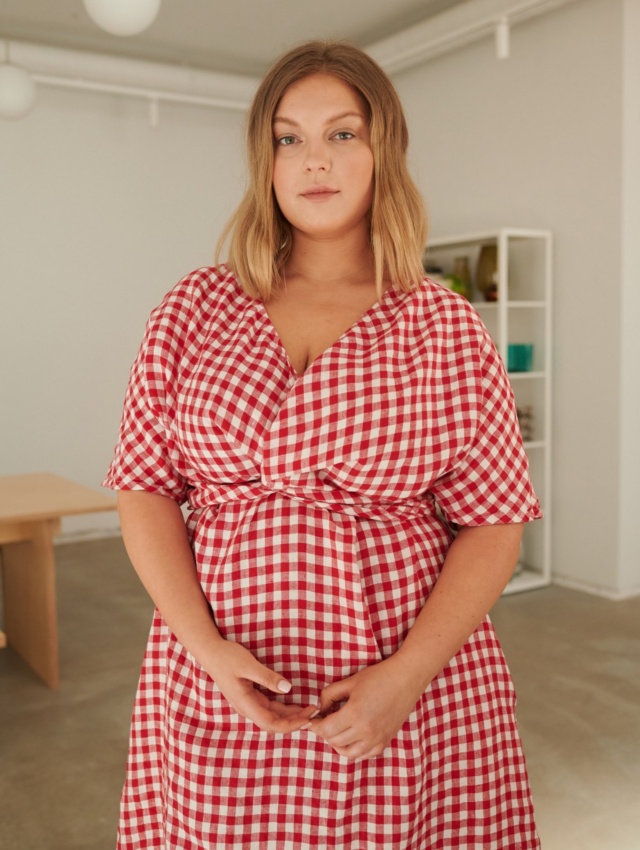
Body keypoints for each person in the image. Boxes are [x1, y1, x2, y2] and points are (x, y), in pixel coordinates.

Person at [104, 39, 542, 850]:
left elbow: (494, 522)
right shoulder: (195, 307)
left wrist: (402, 681)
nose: (314, 159)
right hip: (218, 677)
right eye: (288, 137)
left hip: (404, 686)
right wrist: (207, 651)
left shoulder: (441, 323)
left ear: (383, 151)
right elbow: (145, 487)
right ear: (264, 161)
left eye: (342, 133)